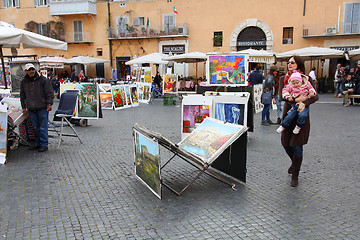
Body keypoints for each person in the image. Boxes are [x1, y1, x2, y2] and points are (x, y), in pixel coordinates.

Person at [279, 55, 319, 187]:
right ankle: (294, 162)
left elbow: (314, 96)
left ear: (299, 64)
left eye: (292, 62)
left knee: (297, 145)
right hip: (288, 114)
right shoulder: (283, 79)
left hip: (302, 116)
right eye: (288, 62)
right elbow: (281, 95)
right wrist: (296, 99)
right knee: (286, 144)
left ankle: (295, 175)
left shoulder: (307, 79)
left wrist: (304, 103)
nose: (289, 64)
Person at [20, 63, 54, 152]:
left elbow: (49, 93)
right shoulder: (24, 82)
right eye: (29, 70)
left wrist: (49, 104)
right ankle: (38, 143)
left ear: (35, 69)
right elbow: (22, 95)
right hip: (31, 107)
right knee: (35, 127)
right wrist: (23, 106)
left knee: (43, 126)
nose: (31, 71)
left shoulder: (43, 80)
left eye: (33, 69)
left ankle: (44, 144)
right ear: (26, 71)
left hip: (42, 107)